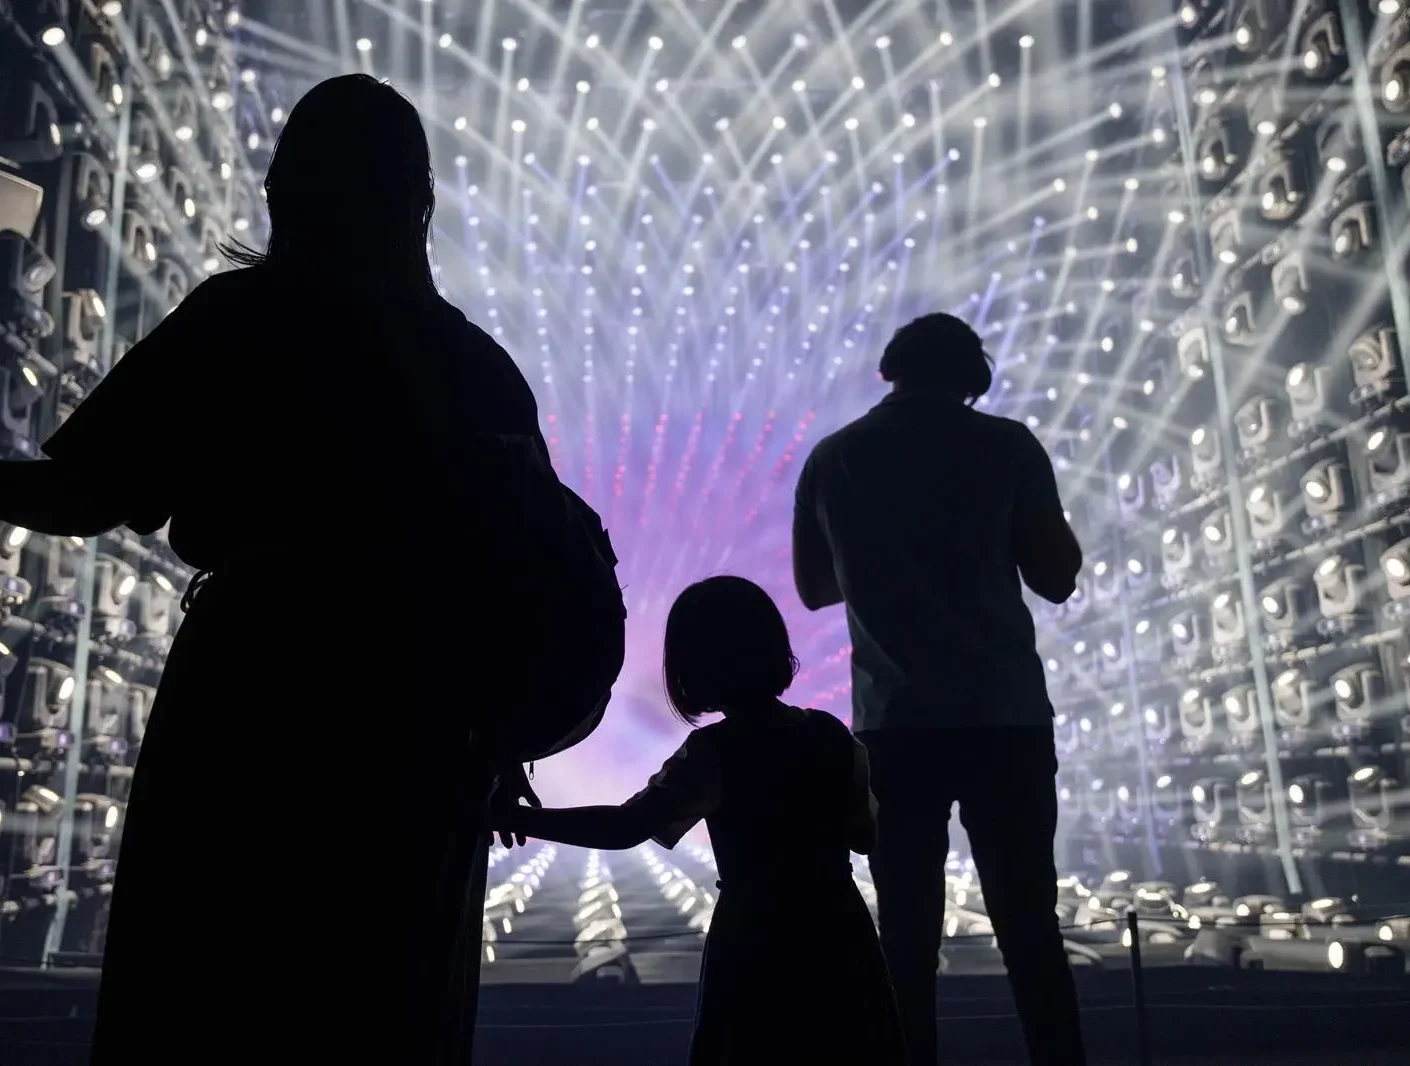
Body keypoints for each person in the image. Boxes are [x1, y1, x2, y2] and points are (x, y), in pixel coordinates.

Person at [0, 75, 544, 1064]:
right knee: (391, 996)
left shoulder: (235, 321)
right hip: (424, 712)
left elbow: (84, 492)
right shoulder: (476, 366)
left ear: (285, 189)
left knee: (215, 979)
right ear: (417, 200)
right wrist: (501, 735)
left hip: (251, 688)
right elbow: (520, 569)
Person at [791, 313, 1086, 1066]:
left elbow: (813, 587)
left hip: (895, 725)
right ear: (971, 376)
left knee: (905, 938)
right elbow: (1056, 578)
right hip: (1004, 718)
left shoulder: (835, 458)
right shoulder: (1007, 446)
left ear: (891, 370)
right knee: (1029, 927)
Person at [492, 575, 905, 1065]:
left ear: (691, 666)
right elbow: (864, 836)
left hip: (755, 939)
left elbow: (626, 826)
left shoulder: (715, 753)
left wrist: (511, 817)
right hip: (838, 932)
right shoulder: (831, 734)